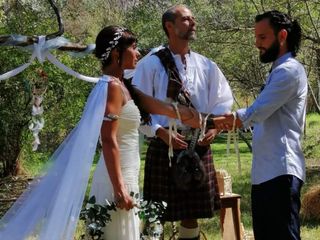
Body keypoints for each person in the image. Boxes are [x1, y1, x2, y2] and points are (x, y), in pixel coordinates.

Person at [0, 26, 202, 240]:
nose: (138, 53)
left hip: (129, 173)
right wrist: (119, 189)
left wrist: (202, 117)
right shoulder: (112, 87)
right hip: (116, 178)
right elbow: (108, 138)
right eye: (133, 48)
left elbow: (159, 107)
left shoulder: (122, 85)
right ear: (117, 54)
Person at [132, 5, 233, 239]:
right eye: (187, 19)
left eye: (193, 19)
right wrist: (158, 131)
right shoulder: (150, 64)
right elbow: (137, 106)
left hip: (198, 145)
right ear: (170, 26)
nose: (193, 23)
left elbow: (222, 99)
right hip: (164, 145)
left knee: (191, 212)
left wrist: (215, 127)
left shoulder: (207, 65)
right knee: (156, 211)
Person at [214, 10, 307, 240]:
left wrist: (208, 122)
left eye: (263, 37)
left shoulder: (290, 71)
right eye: (256, 37)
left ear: (282, 35)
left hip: (281, 172)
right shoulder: (277, 71)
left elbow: (256, 113)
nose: (257, 44)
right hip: (266, 175)